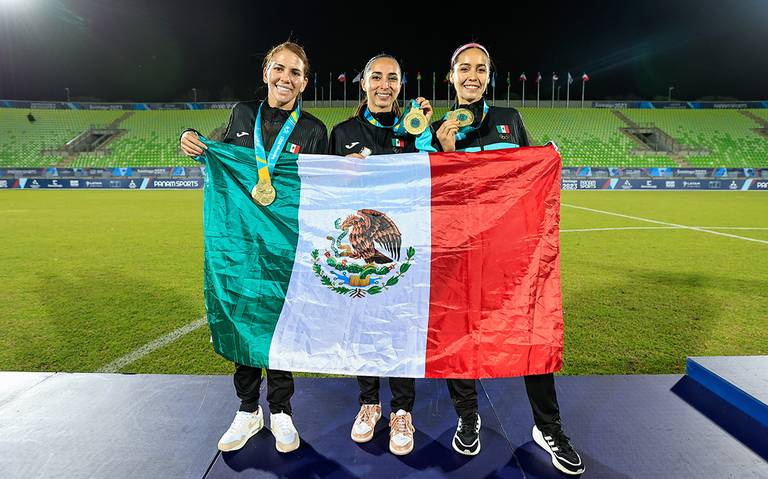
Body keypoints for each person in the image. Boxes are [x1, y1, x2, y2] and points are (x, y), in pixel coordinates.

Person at [432, 43, 585, 475]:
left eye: (480, 69)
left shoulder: (509, 119)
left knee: (529, 332)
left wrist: (549, 159)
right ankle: (467, 416)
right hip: (460, 255)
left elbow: (530, 177)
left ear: (488, 76)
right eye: (464, 68)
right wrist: (441, 152)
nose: (472, 75)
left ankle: (548, 426)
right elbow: (435, 197)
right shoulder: (438, 128)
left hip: (509, 257)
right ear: (451, 76)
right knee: (457, 336)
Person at [179, 41, 328, 454]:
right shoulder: (242, 114)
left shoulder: (314, 129)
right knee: (245, 317)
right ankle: (248, 409)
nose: (286, 78)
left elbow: (321, 189)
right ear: (265, 72)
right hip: (242, 243)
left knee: (282, 321)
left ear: (304, 81)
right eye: (279, 69)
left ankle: (280, 409)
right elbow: (219, 157)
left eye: (295, 72)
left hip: (286, 245)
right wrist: (191, 139)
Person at [328, 53, 434, 456]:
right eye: (377, 77)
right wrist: (342, 171)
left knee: (401, 327)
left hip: (404, 252)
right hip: (360, 256)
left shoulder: (414, 129)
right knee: (363, 325)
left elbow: (436, 173)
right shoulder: (342, 132)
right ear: (363, 83)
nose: (384, 85)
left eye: (392, 78)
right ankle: (369, 404)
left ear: (400, 85)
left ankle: (402, 410)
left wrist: (423, 134)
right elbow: (327, 196)